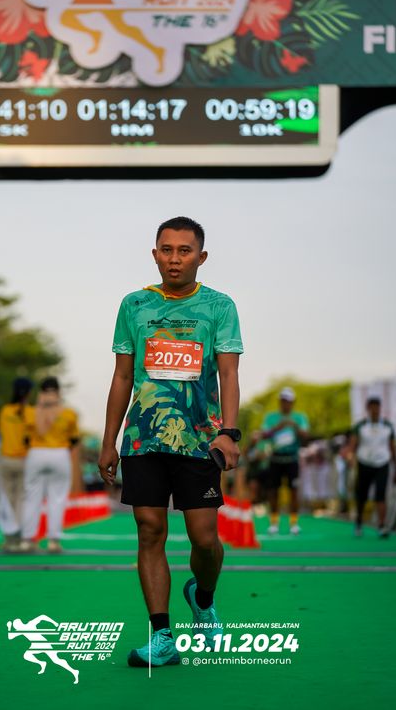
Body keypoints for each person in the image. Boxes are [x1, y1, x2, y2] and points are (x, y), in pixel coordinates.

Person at [98, 216, 243, 668]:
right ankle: (162, 636)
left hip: (200, 440)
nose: (174, 258)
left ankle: (203, 596)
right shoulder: (134, 305)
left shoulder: (219, 306)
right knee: (150, 530)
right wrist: (109, 441)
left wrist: (229, 432)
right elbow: (122, 376)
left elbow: (229, 374)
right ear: (155, 254)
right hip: (143, 438)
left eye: (184, 250)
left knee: (205, 539)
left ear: (201, 257)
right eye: (166, 249)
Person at [20, 377, 81, 553]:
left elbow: (25, 438)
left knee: (32, 498)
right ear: (58, 391)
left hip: (36, 453)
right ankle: (53, 540)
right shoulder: (68, 413)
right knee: (57, 498)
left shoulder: (30, 412)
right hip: (60, 454)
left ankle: (28, 539)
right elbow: (74, 439)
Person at [261, 387, 309, 535]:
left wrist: (294, 426)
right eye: (283, 401)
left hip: (292, 459)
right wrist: (277, 428)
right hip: (275, 458)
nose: (285, 404)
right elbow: (264, 434)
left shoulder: (299, 417)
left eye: (287, 401)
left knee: (293, 491)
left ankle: (293, 523)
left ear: (292, 402)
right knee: (273, 491)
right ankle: (274, 522)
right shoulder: (271, 417)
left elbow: (306, 435)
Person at [349, 396, 396, 538]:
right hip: (364, 462)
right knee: (361, 495)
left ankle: (382, 525)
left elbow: (392, 448)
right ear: (368, 409)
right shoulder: (360, 426)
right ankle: (359, 522)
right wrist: (351, 458)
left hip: (382, 463)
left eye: (377, 407)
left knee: (380, 494)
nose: (375, 410)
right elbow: (353, 444)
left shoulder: (387, 426)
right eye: (372, 407)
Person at [0, 377, 33, 552]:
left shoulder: (5, 411)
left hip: (6, 459)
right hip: (25, 460)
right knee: (22, 500)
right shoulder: (31, 412)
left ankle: (8, 539)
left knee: (7, 499)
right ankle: (20, 539)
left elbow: (1, 433)